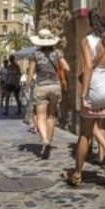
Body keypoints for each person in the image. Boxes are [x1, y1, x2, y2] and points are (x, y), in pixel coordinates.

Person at [63, 8, 105, 195]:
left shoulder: (87, 41)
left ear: (91, 24)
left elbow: (88, 67)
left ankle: (77, 174)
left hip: (96, 91)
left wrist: (84, 94)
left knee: (85, 134)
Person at [27, 29, 69, 159]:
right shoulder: (57, 53)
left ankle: (44, 139)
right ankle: (48, 143)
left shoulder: (36, 54)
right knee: (51, 116)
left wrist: (28, 84)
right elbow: (67, 67)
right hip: (55, 86)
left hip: (41, 86)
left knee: (40, 116)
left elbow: (31, 72)